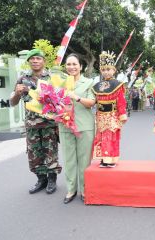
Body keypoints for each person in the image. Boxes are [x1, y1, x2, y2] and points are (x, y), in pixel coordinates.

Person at [10, 49, 61, 194]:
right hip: (32, 124)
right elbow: (13, 102)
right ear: (29, 62)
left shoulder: (51, 78)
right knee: (34, 154)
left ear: (43, 61)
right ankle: (41, 180)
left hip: (49, 124)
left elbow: (58, 101)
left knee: (50, 152)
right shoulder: (22, 79)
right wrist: (17, 94)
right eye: (32, 59)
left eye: (38, 58)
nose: (35, 61)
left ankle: (52, 180)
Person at [60, 54, 96, 204]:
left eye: (75, 64)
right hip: (65, 125)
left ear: (81, 66)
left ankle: (85, 189)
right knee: (68, 159)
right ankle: (71, 189)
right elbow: (52, 102)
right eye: (68, 64)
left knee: (84, 160)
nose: (71, 67)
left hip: (84, 126)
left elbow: (92, 102)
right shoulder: (60, 83)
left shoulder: (89, 82)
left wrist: (76, 97)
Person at [91, 51, 127, 168]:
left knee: (110, 137)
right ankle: (104, 158)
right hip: (100, 115)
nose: (106, 72)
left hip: (112, 115)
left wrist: (122, 114)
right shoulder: (98, 85)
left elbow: (121, 100)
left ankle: (110, 159)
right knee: (101, 137)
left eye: (108, 69)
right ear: (101, 71)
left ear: (114, 70)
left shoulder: (117, 84)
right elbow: (95, 100)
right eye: (103, 69)